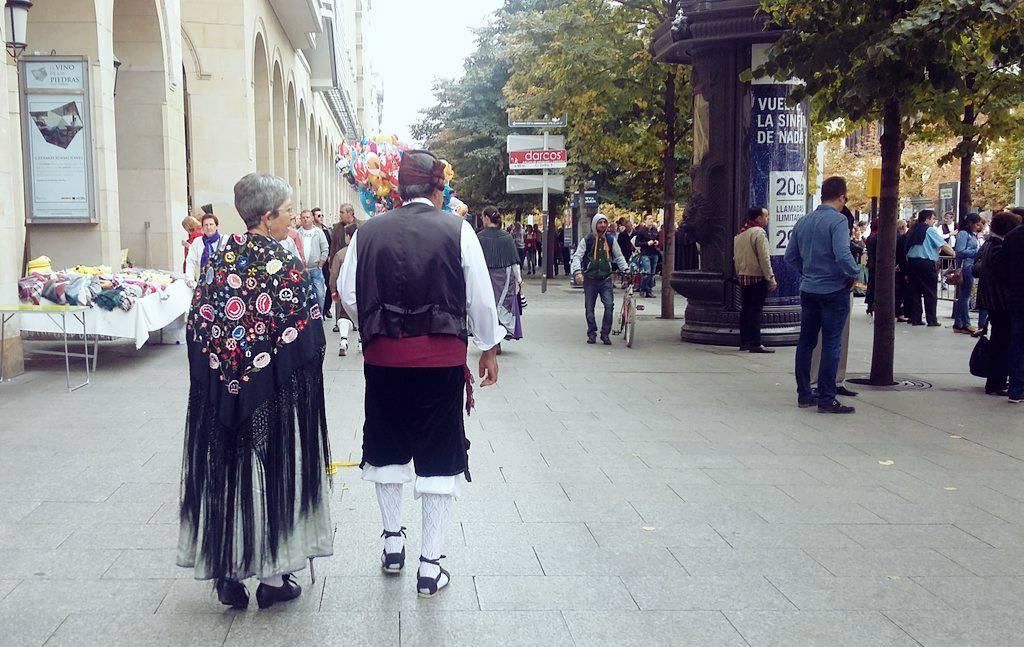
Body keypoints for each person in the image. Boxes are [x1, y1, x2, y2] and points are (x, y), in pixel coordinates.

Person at [338, 149, 502, 598]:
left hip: (384, 359)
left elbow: (348, 292)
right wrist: (488, 346)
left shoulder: (366, 233)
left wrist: (374, 326)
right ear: (437, 189)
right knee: (439, 453)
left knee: (387, 446)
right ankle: (430, 565)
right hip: (440, 359)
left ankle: (393, 544)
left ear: (396, 189)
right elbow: (480, 297)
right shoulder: (457, 229)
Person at [178, 173, 332, 610]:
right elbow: (307, 333)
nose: (290, 220)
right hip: (272, 393)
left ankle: (227, 572)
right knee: (272, 473)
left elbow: (198, 326)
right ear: (266, 218)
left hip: (223, 395)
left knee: (228, 472)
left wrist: (221, 373)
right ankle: (272, 578)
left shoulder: (218, 262)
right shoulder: (284, 266)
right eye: (286, 212)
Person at [784, 176, 862, 414]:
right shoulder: (838, 221)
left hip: (808, 289)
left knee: (806, 342)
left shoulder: (804, 221)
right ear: (841, 197)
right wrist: (855, 273)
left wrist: (807, 272)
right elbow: (842, 254)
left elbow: (790, 256)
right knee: (831, 343)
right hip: (834, 290)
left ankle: (804, 394)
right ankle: (827, 398)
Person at [975, 211, 1022, 395]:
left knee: (1000, 341)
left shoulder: (989, 245)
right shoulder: (998, 247)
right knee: (1003, 342)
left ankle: (997, 381)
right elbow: (1003, 273)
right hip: (1001, 301)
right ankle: (997, 382)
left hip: (994, 300)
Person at [571, 213, 630, 345]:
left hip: (605, 279)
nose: (603, 225)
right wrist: (577, 272)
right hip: (590, 279)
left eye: (604, 222)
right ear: (594, 224)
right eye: (600, 222)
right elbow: (577, 256)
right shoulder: (588, 240)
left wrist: (625, 269)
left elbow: (619, 256)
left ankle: (605, 334)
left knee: (609, 306)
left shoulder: (610, 239)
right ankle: (592, 333)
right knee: (589, 308)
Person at [478, 206, 524, 347]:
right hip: (504, 278)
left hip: (485, 277)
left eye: (482, 217)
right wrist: (519, 280)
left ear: (486, 218)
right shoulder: (507, 237)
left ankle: (490, 338)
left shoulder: (479, 237)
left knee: (487, 306)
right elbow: (514, 262)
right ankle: (497, 339)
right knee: (501, 306)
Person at [734, 207, 777, 353]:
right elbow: (764, 258)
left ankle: (744, 341)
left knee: (746, 309)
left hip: (744, 276)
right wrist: (770, 277)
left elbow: (736, 258)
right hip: (757, 277)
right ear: (758, 218)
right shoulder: (759, 233)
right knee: (756, 310)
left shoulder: (740, 234)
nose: (767, 219)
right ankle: (756, 342)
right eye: (766, 216)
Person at [993, 208, 1024, 403]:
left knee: (1017, 343)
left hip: (1017, 296)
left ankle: (1016, 387)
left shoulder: (1012, 237)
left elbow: (1001, 268)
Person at [905, 210, 955, 327]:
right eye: (933, 219)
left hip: (912, 262)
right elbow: (942, 244)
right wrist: (953, 253)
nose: (934, 221)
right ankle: (931, 319)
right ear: (927, 219)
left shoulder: (913, 229)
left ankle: (916, 318)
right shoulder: (929, 230)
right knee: (930, 292)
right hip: (926, 263)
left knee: (915, 291)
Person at [328, 222, 358, 356]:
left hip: (344, 290)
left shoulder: (340, 254)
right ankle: (361, 341)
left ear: (347, 236)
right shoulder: (366, 251)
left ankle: (344, 341)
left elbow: (334, 274)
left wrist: (333, 289)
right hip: (362, 291)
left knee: (343, 316)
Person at [953, 213, 983, 334]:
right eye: (976, 224)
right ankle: (965, 323)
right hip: (966, 266)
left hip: (969, 265)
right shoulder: (964, 234)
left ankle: (959, 322)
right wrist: (976, 252)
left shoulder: (971, 235)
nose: (978, 226)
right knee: (965, 296)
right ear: (970, 223)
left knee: (964, 296)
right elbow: (959, 251)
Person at [296, 210, 329, 311]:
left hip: (315, 269)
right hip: (302, 270)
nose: (305, 219)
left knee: (319, 294)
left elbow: (325, 248)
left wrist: (320, 264)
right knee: (303, 295)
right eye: (303, 217)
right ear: (301, 219)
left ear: (312, 218)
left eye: (307, 217)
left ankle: (319, 315)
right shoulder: (298, 233)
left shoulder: (318, 232)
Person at [184, 212, 225, 282]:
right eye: (206, 225)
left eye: (211, 224)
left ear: (216, 226)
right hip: (203, 282)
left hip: (221, 282)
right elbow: (190, 261)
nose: (208, 227)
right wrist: (189, 279)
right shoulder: (197, 242)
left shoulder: (225, 240)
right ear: (202, 227)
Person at [313, 208, 334, 318]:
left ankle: (326, 308)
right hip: (315, 263)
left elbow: (331, 244)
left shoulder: (327, 230)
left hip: (326, 262)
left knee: (329, 285)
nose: (321, 218)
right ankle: (317, 310)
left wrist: (330, 257)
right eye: (318, 216)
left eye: (322, 215)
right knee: (316, 288)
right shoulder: (311, 231)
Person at [634, 215, 660, 298]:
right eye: (649, 219)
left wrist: (656, 242)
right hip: (645, 253)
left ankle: (649, 290)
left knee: (652, 274)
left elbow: (658, 239)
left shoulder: (655, 230)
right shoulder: (641, 231)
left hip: (654, 253)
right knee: (647, 272)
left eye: (652, 219)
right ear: (645, 221)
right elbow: (637, 243)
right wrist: (646, 243)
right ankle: (642, 288)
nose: (651, 221)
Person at [895, 219, 910, 322]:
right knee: (901, 292)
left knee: (897, 291)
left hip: (895, 266)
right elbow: (903, 255)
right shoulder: (902, 239)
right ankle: (900, 312)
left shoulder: (895, 237)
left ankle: (898, 312)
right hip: (900, 268)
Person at [865, 218, 879, 315]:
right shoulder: (877, 237)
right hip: (876, 264)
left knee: (871, 284)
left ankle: (870, 305)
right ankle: (872, 304)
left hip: (871, 263)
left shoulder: (871, 237)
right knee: (875, 284)